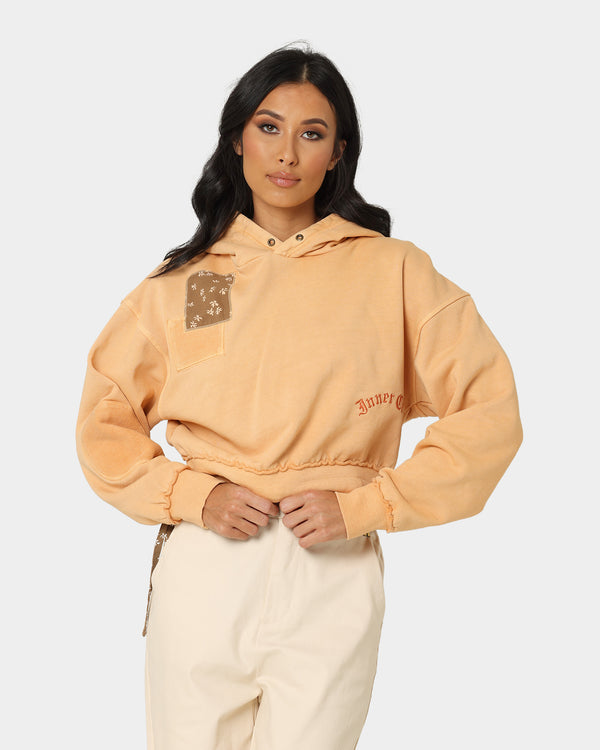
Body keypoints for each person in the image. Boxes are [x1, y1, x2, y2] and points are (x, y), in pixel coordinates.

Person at [75, 42, 523, 750]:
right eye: (268, 127)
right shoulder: (200, 280)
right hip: (207, 565)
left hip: (331, 570)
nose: (287, 153)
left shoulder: (393, 273)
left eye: (312, 133)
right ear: (237, 140)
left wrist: (370, 505)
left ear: (338, 152)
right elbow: (105, 420)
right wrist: (193, 496)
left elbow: (489, 410)